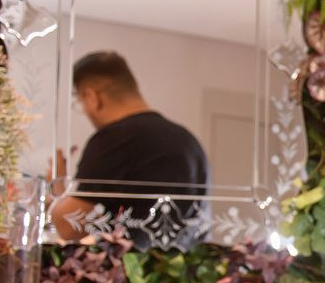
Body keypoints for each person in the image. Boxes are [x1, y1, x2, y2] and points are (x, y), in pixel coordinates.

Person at [50, 51, 208, 247]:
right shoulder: (189, 141)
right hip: (185, 264)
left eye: (80, 103)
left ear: (92, 97)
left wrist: (58, 189)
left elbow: (70, 227)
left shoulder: (114, 138)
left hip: (134, 264)